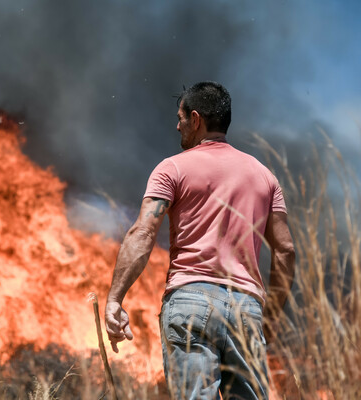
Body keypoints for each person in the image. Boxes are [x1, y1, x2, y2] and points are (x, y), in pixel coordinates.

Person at [105, 81, 295, 399]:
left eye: (180, 118)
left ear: (196, 120)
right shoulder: (265, 177)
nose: (175, 125)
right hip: (246, 309)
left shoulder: (171, 169)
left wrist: (115, 298)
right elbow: (286, 251)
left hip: (189, 303)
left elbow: (142, 232)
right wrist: (271, 317)